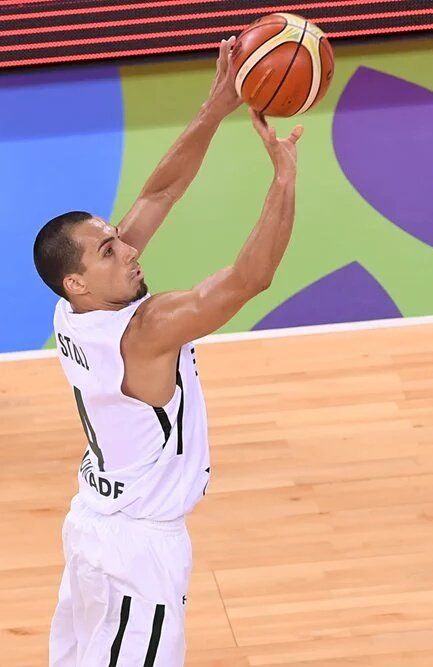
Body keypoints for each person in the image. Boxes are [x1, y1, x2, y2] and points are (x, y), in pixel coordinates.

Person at [34, 38, 304, 666]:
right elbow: (248, 278)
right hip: (137, 553)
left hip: (93, 524)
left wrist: (220, 101)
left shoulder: (71, 307)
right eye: (109, 251)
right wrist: (284, 180)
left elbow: (160, 193)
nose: (129, 249)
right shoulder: (144, 330)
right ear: (80, 281)